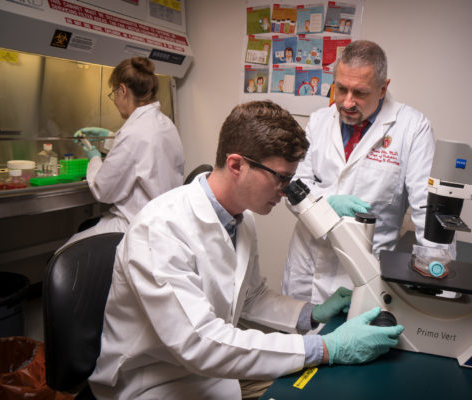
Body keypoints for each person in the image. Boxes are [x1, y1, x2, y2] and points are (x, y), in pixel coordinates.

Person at [88, 101, 404, 400]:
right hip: (157, 382)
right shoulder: (159, 230)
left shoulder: (242, 219)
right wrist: (324, 347)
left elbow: (250, 296)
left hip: (214, 371)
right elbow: (199, 343)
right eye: (282, 178)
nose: (286, 191)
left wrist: (311, 313)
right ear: (237, 164)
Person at [282, 40, 442, 305]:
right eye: (341, 88)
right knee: (299, 338)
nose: (346, 102)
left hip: (363, 268)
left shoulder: (412, 128)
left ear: (383, 88)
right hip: (308, 263)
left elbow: (425, 206)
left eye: (360, 92)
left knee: (351, 342)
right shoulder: (320, 121)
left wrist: (437, 272)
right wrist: (328, 202)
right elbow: (294, 184)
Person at [60, 57, 184, 249]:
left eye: (114, 93)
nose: (115, 100)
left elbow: (103, 190)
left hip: (135, 227)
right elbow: (141, 154)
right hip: (164, 224)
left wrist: (93, 158)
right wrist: (110, 137)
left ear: (123, 90)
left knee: (63, 255)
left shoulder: (133, 132)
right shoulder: (165, 124)